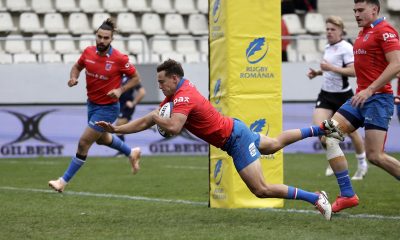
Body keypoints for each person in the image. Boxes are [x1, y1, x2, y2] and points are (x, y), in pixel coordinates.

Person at [96, 59, 348, 221]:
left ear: (174, 78)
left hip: (234, 139)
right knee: (273, 144)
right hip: (234, 128)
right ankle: (321, 129)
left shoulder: (183, 97)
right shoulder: (177, 93)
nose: (159, 86)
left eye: (161, 82)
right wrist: (117, 129)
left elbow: (172, 126)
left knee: (261, 189)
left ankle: (316, 198)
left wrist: (155, 116)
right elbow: (146, 122)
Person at [321, 0, 400, 213]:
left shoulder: (385, 31)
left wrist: (371, 89)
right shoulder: (363, 33)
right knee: (328, 135)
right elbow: (366, 68)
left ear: (375, 9)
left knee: (375, 156)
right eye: (354, 10)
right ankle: (347, 194)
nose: (356, 14)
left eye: (361, 10)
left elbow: (396, 63)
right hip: (359, 98)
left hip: (377, 99)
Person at [48, 18, 142, 193]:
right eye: (99, 37)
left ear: (111, 39)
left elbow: (136, 78)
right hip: (92, 105)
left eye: (106, 38)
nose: (101, 41)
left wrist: (120, 90)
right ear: (96, 36)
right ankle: (132, 152)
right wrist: (74, 77)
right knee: (103, 139)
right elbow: (77, 67)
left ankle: (62, 181)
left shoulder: (119, 58)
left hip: (108, 108)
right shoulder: (88, 52)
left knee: (84, 143)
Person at [307, 16, 368, 180]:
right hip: (326, 95)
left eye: (332, 29)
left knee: (353, 134)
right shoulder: (328, 46)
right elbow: (331, 70)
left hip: (343, 95)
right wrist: (318, 73)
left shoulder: (346, 47)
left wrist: (329, 67)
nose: (329, 32)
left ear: (341, 31)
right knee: (321, 131)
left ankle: (362, 164)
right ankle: (337, 159)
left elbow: (354, 71)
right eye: (327, 29)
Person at [114, 75, 146, 156]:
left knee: (119, 126)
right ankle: (123, 150)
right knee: (119, 128)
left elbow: (142, 92)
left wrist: (133, 103)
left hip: (126, 106)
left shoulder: (131, 78)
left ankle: (123, 151)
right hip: (119, 106)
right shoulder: (116, 77)